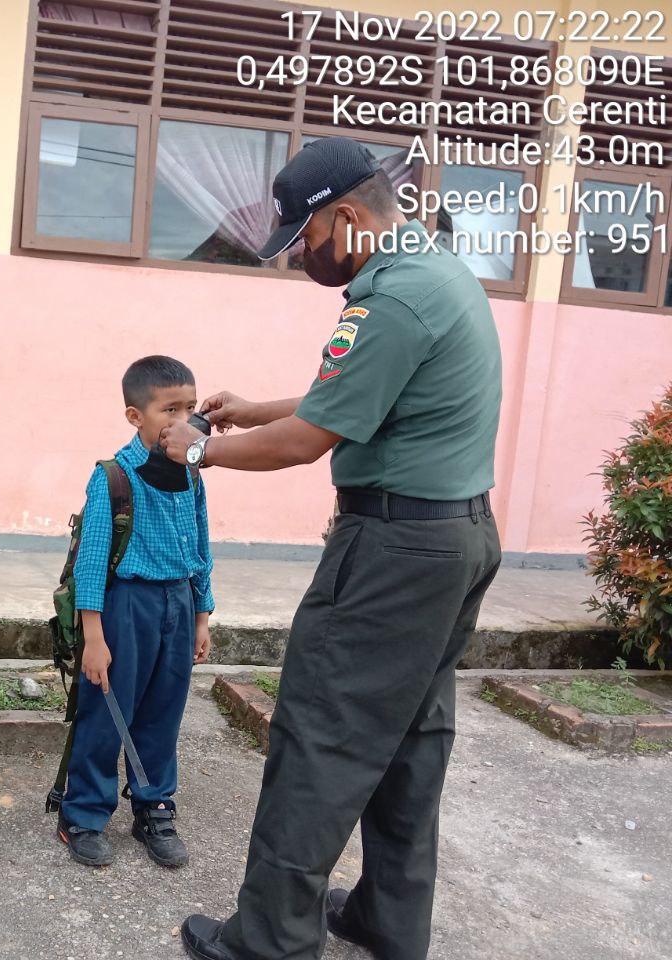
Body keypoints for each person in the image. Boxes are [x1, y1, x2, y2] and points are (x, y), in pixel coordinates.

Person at [162, 138, 503, 960]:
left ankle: (269, 940)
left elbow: (307, 441)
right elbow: (350, 398)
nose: (304, 258)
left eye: (307, 240)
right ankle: (387, 918)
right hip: (455, 538)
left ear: (346, 217)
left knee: (323, 731)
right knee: (412, 738)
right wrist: (247, 409)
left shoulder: (389, 299)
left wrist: (197, 449)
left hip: (394, 552)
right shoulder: (431, 266)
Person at [56, 356, 215, 869]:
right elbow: (93, 563)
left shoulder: (192, 474)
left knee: (163, 713)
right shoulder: (113, 478)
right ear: (135, 415)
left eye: (190, 407)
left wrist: (201, 615)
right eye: (171, 409)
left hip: (177, 602)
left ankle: (154, 807)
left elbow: (201, 546)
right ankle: (83, 813)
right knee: (108, 711)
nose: (184, 419)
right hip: (126, 606)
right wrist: (94, 638)